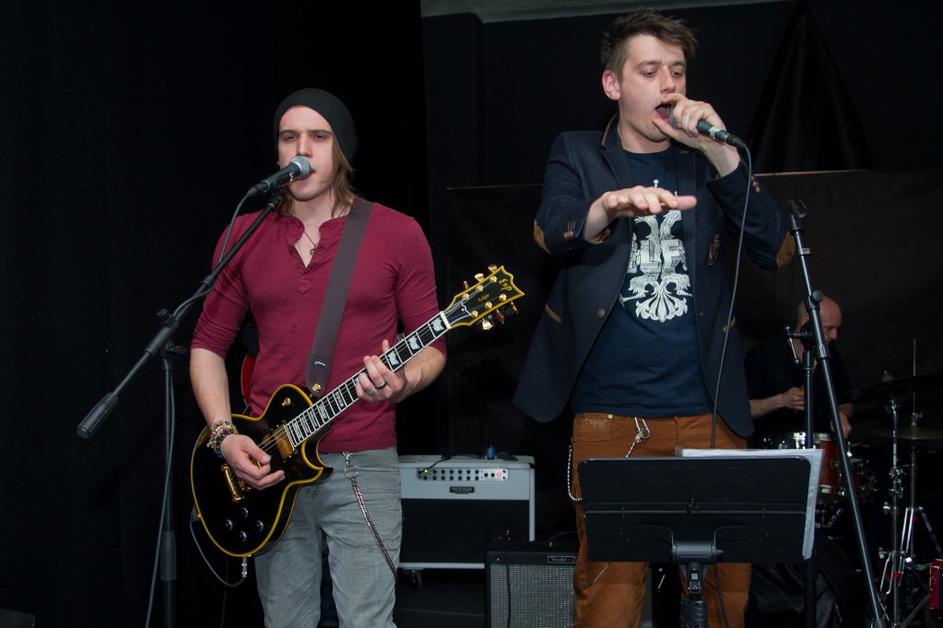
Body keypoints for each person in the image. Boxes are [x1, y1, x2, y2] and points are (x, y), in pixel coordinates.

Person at [512, 10, 786, 628]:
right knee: (608, 603)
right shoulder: (578, 153)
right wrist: (605, 208)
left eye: (678, 71)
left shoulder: (705, 160)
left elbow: (774, 248)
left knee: (727, 601)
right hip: (613, 420)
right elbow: (550, 231)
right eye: (650, 70)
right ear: (613, 84)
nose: (669, 84)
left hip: (710, 416)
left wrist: (722, 155)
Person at [189, 88, 446, 628]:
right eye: (289, 138)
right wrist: (223, 435)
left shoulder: (397, 233)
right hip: (268, 464)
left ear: (341, 149)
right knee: (286, 620)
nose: (302, 149)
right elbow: (207, 344)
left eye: (318, 137)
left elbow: (433, 347)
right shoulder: (245, 235)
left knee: (368, 621)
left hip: (362, 460)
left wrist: (402, 382)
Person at [746, 296, 854, 444]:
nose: (835, 336)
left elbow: (846, 402)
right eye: (829, 328)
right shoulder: (763, 356)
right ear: (806, 323)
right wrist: (781, 400)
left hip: (823, 447)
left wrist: (841, 414)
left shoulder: (831, 355)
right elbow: (743, 410)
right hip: (774, 448)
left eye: (837, 329)